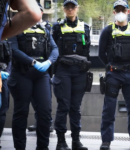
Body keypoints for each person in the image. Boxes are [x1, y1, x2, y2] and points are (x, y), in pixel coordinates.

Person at [7, 3, 59, 149]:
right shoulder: (14, 26)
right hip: (22, 73)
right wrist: (32, 62)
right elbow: (14, 49)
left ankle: (42, 147)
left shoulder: (44, 29)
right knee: (21, 112)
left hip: (41, 74)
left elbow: (55, 49)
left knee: (45, 112)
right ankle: (20, 147)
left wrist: (49, 62)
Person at [98, 0, 130, 150]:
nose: (120, 12)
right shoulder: (107, 30)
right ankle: (106, 141)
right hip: (113, 74)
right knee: (109, 109)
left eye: (123, 9)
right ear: (114, 12)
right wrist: (111, 65)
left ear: (128, 12)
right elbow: (101, 53)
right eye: (117, 10)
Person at [52, 0, 91, 150]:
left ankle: (76, 141)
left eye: (72, 7)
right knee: (63, 106)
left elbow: (87, 51)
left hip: (79, 71)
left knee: (76, 107)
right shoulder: (57, 27)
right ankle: (61, 142)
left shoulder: (85, 28)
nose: (70, 9)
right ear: (64, 9)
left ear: (77, 8)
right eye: (67, 7)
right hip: (63, 70)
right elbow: (53, 50)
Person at [27, 2, 54, 133]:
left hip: (46, 67)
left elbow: (53, 47)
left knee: (45, 102)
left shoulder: (48, 27)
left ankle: (47, 123)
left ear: (42, 13)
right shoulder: (26, 26)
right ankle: (39, 122)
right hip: (30, 67)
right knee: (34, 100)